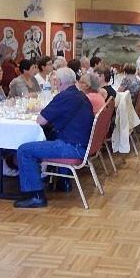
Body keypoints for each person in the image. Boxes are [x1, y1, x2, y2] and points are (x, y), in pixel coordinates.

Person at [14, 68, 95, 208]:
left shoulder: (64, 97)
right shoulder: (80, 95)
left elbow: (41, 121)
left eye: (54, 80)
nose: (53, 82)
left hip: (72, 148)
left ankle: (36, 196)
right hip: (83, 145)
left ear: (58, 82)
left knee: (24, 150)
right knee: (51, 136)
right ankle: (64, 183)